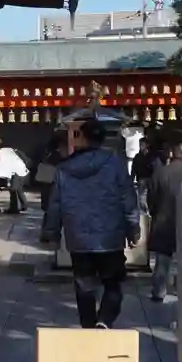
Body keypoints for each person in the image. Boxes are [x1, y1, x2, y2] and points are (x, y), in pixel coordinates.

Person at [42, 117, 141, 328]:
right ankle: (104, 320)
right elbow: (128, 199)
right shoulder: (115, 164)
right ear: (104, 139)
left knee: (84, 286)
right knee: (113, 284)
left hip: (78, 237)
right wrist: (133, 229)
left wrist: (52, 233)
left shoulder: (64, 168)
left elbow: (55, 204)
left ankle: (88, 326)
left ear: (83, 138)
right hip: (110, 237)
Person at [147, 140, 182, 301]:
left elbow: (151, 197)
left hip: (163, 221)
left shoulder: (161, 173)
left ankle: (159, 291)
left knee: (162, 261)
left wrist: (154, 212)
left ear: (173, 154)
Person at [0, 138, 30, 214]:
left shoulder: (1, 157)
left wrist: (7, 182)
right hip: (21, 169)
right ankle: (24, 206)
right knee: (19, 189)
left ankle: (14, 209)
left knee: (13, 190)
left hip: (17, 172)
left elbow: (4, 171)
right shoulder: (4, 150)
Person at [131, 137, 159, 212]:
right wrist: (131, 179)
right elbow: (134, 169)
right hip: (142, 178)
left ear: (147, 145)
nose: (141, 146)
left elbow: (156, 168)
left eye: (142, 144)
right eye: (140, 144)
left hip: (150, 179)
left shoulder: (152, 156)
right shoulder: (137, 157)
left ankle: (149, 211)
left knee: (150, 197)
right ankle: (145, 211)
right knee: (141, 198)